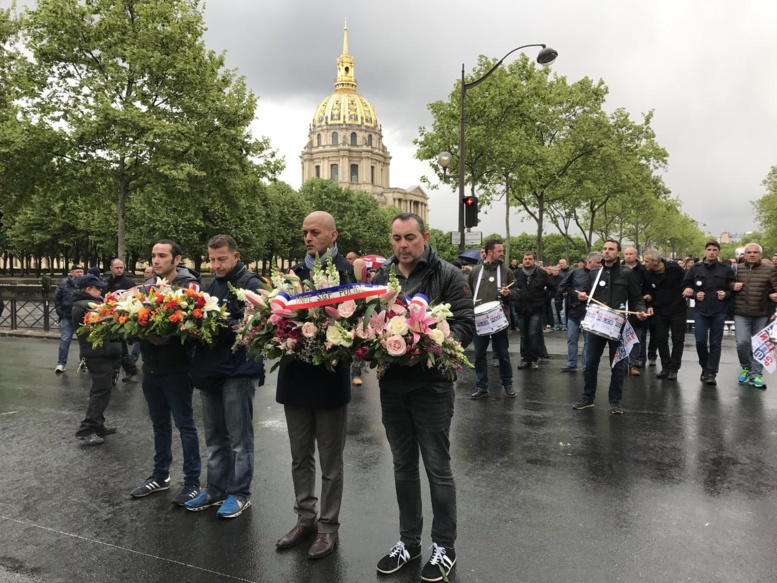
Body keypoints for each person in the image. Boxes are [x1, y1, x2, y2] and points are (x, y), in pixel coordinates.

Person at [372, 213, 474, 581]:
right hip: (392, 385)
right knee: (402, 466)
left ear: (424, 237)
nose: (403, 245)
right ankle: (409, 541)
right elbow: (367, 322)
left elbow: (465, 324)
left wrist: (429, 342)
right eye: (397, 238)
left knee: (437, 468)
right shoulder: (380, 275)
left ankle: (444, 546)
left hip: (432, 386)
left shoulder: (447, 274)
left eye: (410, 237)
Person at [275, 211, 353, 559]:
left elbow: (356, 329)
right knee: (299, 456)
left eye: (315, 232)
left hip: (329, 378)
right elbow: (276, 319)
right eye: (305, 232)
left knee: (331, 463)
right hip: (295, 377)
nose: (308, 237)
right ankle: (305, 519)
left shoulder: (350, 274)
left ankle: (328, 527)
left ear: (333, 235)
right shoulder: (292, 274)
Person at [185, 235, 265, 518]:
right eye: (212, 259)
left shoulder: (252, 284)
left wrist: (213, 324)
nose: (216, 264)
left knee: (239, 439)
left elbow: (256, 324)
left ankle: (240, 493)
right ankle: (216, 490)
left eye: (221, 259)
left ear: (236, 256)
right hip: (212, 371)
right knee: (215, 437)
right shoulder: (213, 284)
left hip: (239, 372)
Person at [130, 239, 202, 505]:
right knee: (159, 425)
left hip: (178, 368)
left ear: (177, 259)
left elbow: (195, 323)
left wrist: (169, 335)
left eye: (162, 256)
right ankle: (160, 476)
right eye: (153, 256)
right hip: (151, 366)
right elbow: (129, 318)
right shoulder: (146, 287)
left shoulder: (189, 287)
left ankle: (192, 482)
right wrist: (145, 333)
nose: (156, 261)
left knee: (185, 426)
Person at [573, 240, 647, 414]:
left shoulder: (627, 274)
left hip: (617, 325)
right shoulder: (594, 273)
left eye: (611, 249)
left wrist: (641, 310)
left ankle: (615, 401)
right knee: (590, 363)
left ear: (618, 253)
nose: (606, 252)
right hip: (597, 325)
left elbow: (637, 297)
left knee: (618, 365)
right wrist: (583, 297)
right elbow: (586, 294)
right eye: (605, 249)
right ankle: (588, 398)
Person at [72, 274, 121, 445]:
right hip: (99, 353)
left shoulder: (84, 304)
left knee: (99, 390)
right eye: (98, 288)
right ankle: (86, 429)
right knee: (101, 391)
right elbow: (104, 325)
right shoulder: (88, 306)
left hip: (98, 352)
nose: (101, 290)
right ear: (88, 289)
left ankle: (98, 424)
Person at [469, 239, 518, 400]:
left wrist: (508, 294)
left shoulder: (506, 272)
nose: (502, 253)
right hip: (479, 318)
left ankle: (507, 384)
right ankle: (482, 387)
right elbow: (468, 293)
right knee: (479, 355)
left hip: (499, 318)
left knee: (503, 353)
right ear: (490, 252)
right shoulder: (475, 271)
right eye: (499, 251)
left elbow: (517, 294)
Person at [682, 241, 735, 385]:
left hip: (719, 311)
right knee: (700, 341)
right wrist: (694, 295)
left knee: (715, 343)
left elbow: (733, 288)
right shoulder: (695, 268)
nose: (711, 252)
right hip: (701, 311)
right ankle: (705, 367)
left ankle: (711, 372)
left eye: (715, 250)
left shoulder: (726, 269)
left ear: (719, 252)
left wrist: (726, 294)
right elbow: (686, 285)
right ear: (705, 251)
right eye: (709, 249)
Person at [731, 243, 777, 389]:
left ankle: (756, 374)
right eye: (749, 252)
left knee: (760, 345)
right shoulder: (736, 269)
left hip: (762, 313)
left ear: (760, 255)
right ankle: (746, 367)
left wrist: (773, 295)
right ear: (744, 255)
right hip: (741, 313)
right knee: (742, 342)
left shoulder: (770, 270)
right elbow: (726, 284)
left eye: (755, 252)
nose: (752, 254)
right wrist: (732, 286)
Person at [642, 249, 687, 381]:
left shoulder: (675, 269)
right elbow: (647, 290)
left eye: (646, 261)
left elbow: (687, 281)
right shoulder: (647, 274)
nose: (644, 263)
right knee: (660, 339)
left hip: (677, 309)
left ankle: (674, 368)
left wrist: (688, 289)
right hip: (659, 310)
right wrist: (649, 302)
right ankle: (665, 367)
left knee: (677, 340)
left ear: (655, 261)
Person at [557, 252, 602, 372]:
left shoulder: (602, 274)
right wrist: (560, 301)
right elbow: (562, 286)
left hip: (591, 313)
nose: (600, 265)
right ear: (589, 262)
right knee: (572, 339)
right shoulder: (575, 272)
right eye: (598, 262)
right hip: (574, 311)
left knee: (589, 341)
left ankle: (586, 365)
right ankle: (571, 363)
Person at [105, 258, 139, 382]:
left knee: (119, 346)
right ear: (111, 268)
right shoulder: (109, 281)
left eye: (121, 268)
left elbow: (134, 299)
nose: (119, 270)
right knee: (118, 346)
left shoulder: (128, 282)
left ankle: (118, 372)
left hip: (123, 316)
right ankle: (128, 369)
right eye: (117, 268)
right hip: (111, 315)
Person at [513, 251, 548, 370]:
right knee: (523, 336)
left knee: (533, 334)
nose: (527, 261)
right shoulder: (516, 273)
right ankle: (524, 359)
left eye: (530, 259)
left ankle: (533, 359)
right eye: (525, 258)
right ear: (522, 260)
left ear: (534, 260)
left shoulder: (542, 274)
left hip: (535, 309)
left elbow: (551, 287)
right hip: (521, 308)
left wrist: (543, 300)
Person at [54, 264, 84, 373]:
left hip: (81, 316)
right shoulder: (63, 284)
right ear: (72, 273)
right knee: (65, 340)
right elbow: (57, 299)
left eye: (81, 271)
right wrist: (60, 313)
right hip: (67, 316)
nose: (80, 274)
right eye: (77, 272)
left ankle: (83, 362)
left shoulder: (85, 284)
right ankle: (61, 363)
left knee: (83, 341)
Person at [622, 247, 647, 376]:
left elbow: (648, 286)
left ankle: (633, 364)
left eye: (631, 254)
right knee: (621, 338)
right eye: (626, 254)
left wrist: (648, 297)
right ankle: (622, 363)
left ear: (636, 255)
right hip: (621, 307)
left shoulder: (643, 270)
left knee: (636, 337)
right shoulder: (619, 269)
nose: (628, 256)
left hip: (637, 307)